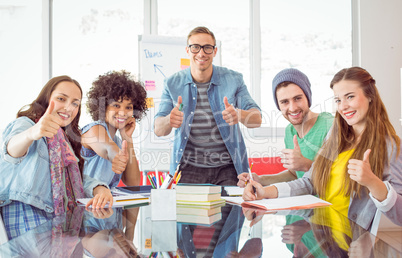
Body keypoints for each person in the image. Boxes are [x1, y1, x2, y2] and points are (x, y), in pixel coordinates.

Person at [243, 67, 402, 230]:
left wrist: (373, 183)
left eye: (350, 97)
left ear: (370, 96)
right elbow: (309, 182)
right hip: (322, 232)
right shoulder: (335, 136)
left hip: (347, 243)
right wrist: (264, 192)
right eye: (338, 100)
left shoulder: (391, 147)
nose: (344, 106)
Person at [0, 76, 113, 240]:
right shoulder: (27, 124)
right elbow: (10, 151)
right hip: (26, 214)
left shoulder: (65, 139)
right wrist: (32, 134)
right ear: (47, 98)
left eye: (75, 103)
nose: (69, 107)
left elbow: (71, 178)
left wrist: (99, 188)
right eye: (61, 99)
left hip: (53, 220)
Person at [154, 26, 262, 185]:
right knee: (187, 210)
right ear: (187, 50)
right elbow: (158, 129)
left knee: (232, 209)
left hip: (229, 168)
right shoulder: (171, 83)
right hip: (188, 168)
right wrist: (169, 120)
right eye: (195, 47)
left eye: (207, 48)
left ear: (215, 51)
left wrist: (239, 114)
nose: (201, 53)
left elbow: (257, 119)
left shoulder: (234, 79)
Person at [238, 68, 333, 187]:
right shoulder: (290, 131)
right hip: (304, 203)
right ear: (278, 105)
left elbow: (338, 176)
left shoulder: (330, 125)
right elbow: (294, 174)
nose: (292, 108)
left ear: (308, 98)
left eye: (298, 98)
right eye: (284, 102)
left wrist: (306, 164)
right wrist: (260, 180)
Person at [81, 70, 148, 188]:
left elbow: (132, 183)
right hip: (87, 203)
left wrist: (127, 138)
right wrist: (116, 157)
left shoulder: (118, 141)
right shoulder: (95, 129)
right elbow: (108, 149)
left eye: (128, 107)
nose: (122, 112)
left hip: (105, 203)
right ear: (104, 107)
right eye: (116, 105)